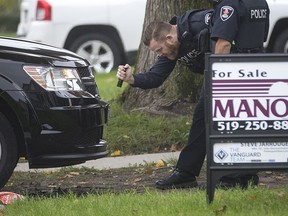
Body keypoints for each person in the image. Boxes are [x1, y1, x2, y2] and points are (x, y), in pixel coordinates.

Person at [117, 0, 269, 190]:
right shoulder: (171, 47)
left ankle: (238, 177)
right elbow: (155, 78)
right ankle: (186, 173)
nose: (160, 55)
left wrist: (222, 83)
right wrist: (132, 79)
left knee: (233, 121)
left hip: (232, 70)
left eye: (159, 50)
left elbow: (223, 44)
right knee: (202, 118)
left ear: (170, 38)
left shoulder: (199, 23)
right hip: (223, 72)